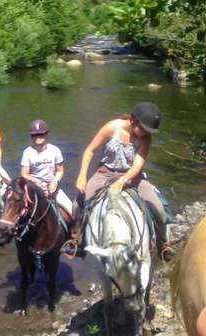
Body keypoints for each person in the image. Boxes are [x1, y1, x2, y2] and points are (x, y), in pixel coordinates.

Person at [66, 102, 174, 261]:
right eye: (143, 128)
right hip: (105, 172)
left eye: (148, 130)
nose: (144, 133)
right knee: (79, 205)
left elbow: (138, 164)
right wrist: (82, 175)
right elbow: (90, 150)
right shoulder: (111, 128)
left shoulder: (146, 137)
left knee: (159, 209)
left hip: (132, 175)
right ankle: (77, 241)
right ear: (133, 120)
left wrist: (123, 180)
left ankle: (163, 245)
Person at [20, 119, 73, 218]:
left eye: (41, 134)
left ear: (46, 134)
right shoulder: (27, 152)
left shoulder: (55, 150)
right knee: (19, 213)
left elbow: (60, 171)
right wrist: (34, 181)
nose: (38, 137)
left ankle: (74, 232)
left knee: (71, 210)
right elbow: (24, 174)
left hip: (52, 189)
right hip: (33, 189)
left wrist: (55, 182)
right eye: (34, 135)